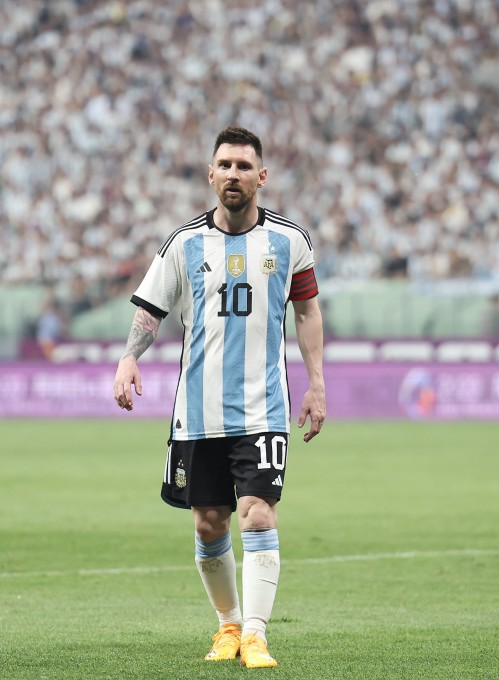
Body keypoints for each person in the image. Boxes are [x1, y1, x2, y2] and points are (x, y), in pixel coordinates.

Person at [113, 126, 326, 669]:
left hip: (264, 408)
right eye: (224, 165)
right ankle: (228, 624)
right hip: (198, 412)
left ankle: (255, 634)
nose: (234, 174)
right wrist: (129, 356)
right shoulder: (183, 243)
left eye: (243, 165)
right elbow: (151, 309)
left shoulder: (290, 241)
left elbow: (306, 311)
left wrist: (317, 382)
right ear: (211, 174)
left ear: (262, 176)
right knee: (209, 523)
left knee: (258, 515)